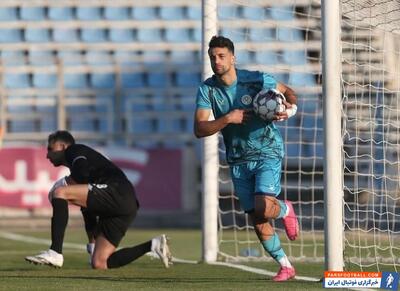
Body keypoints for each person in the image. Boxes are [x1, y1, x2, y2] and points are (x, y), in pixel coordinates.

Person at [194, 36, 299, 282]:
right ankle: (286, 266)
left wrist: (290, 110)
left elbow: (289, 93)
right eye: (212, 57)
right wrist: (227, 119)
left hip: (266, 150)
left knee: (264, 206)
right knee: (257, 218)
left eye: (221, 56)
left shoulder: (256, 79)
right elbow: (199, 129)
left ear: (233, 58)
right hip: (238, 159)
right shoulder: (207, 89)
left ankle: (285, 209)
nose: (216, 61)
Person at [25, 130, 172, 269]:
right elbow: (87, 208)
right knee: (100, 262)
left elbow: (81, 172)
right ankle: (153, 245)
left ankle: (55, 252)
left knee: (60, 193)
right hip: (127, 205)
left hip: (117, 191)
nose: (47, 155)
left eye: (50, 148)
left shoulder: (74, 150)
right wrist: (92, 244)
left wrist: (66, 182)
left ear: (63, 146)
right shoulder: (81, 166)